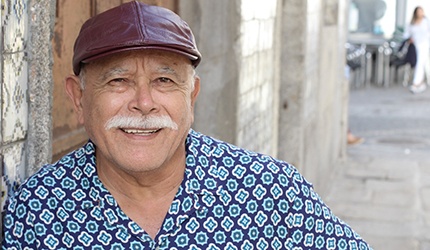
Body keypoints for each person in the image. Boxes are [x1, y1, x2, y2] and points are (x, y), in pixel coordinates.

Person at [2, 1, 372, 249]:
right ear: (79, 99)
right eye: (118, 81)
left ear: (191, 97)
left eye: (165, 81)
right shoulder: (36, 212)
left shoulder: (271, 192)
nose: (144, 103)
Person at [404, 6, 430, 94]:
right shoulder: (411, 23)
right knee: (418, 63)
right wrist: (409, 39)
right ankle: (420, 83)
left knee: (420, 63)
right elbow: (406, 34)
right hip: (415, 45)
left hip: (424, 45)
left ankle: (416, 83)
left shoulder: (426, 22)